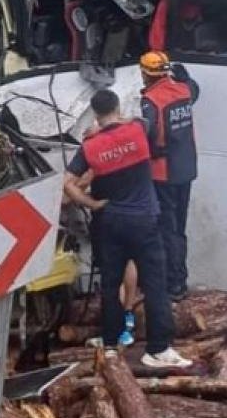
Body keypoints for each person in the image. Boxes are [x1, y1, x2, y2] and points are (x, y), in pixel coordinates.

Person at [64, 89, 191, 368]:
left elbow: (69, 183)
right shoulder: (137, 129)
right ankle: (158, 349)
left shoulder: (89, 148)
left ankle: (111, 344)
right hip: (145, 220)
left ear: (95, 113)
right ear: (117, 107)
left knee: (110, 286)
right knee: (156, 284)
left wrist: (91, 204)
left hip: (110, 222)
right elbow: (137, 120)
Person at [139, 51, 200, 301]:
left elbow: (148, 133)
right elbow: (195, 89)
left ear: (145, 73)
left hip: (163, 173)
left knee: (167, 229)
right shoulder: (183, 90)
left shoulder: (151, 100)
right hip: (186, 169)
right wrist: (187, 76)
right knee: (180, 227)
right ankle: (179, 279)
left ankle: (174, 283)